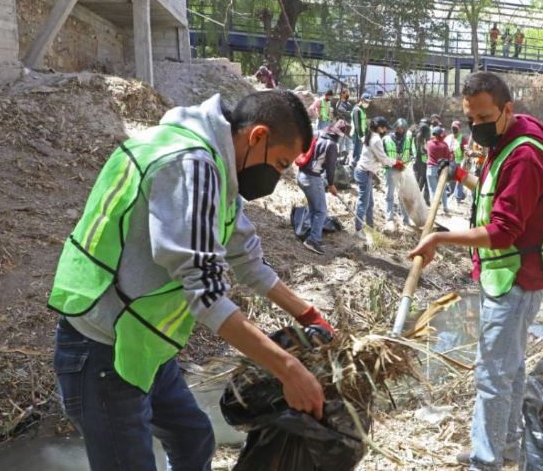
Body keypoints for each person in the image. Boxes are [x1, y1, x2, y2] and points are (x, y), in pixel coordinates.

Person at [48, 90, 333, 471]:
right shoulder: (190, 165)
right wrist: (289, 369)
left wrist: (308, 314)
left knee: (192, 440)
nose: (277, 179)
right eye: (280, 165)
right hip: (103, 348)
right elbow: (208, 296)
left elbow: (247, 259)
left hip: (143, 341)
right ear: (258, 136)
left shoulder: (217, 166)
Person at [408, 72, 543, 470]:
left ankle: (486, 460)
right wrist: (462, 176)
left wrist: (440, 240)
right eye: (470, 119)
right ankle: (507, 447)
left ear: (507, 110)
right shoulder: (508, 141)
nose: (477, 127)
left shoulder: (526, 155)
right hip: (509, 275)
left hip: (515, 276)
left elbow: (504, 230)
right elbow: (499, 193)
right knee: (509, 368)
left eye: (483, 118)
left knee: (493, 375)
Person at [298, 119, 350, 254]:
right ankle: (312, 240)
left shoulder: (317, 134)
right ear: (338, 135)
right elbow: (330, 168)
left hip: (301, 174)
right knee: (321, 210)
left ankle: (307, 233)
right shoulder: (331, 145)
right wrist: (331, 184)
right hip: (312, 178)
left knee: (313, 206)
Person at [354, 117, 401, 239]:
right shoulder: (375, 140)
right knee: (363, 203)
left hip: (364, 171)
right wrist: (395, 162)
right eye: (384, 127)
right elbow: (383, 159)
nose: (385, 130)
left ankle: (369, 226)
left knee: (369, 203)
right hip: (365, 173)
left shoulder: (370, 135)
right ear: (380, 127)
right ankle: (358, 229)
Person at [382, 118, 416, 228]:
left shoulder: (408, 138)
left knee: (403, 196)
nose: (401, 131)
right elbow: (382, 156)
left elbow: (411, 151)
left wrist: (412, 160)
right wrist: (392, 163)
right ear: (395, 127)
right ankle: (389, 219)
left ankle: (405, 220)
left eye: (403, 129)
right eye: (399, 129)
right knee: (389, 195)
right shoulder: (386, 139)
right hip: (390, 169)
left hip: (403, 169)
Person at [426, 126, 453, 214]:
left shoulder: (429, 143)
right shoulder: (444, 145)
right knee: (443, 189)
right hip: (441, 170)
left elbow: (432, 139)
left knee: (432, 190)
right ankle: (445, 207)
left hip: (430, 169)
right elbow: (448, 157)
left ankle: (434, 210)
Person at [445, 121, 470, 204]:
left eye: (456, 128)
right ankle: (452, 194)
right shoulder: (448, 138)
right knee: (451, 180)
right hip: (449, 162)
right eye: (453, 127)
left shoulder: (463, 139)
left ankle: (458, 198)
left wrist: (465, 161)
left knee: (459, 181)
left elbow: (466, 152)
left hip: (459, 163)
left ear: (460, 129)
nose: (454, 129)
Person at [414, 118, 432, 205]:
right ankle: (423, 199)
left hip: (418, 161)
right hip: (424, 162)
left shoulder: (416, 135)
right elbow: (426, 150)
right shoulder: (426, 137)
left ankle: (418, 198)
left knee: (419, 180)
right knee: (424, 180)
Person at [351, 93, 372, 167]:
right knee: (356, 154)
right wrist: (361, 136)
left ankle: (356, 167)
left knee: (360, 153)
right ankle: (353, 168)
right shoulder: (357, 110)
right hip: (357, 135)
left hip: (361, 135)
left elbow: (363, 123)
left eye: (369, 102)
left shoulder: (362, 109)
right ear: (362, 100)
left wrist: (366, 133)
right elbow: (357, 125)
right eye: (366, 101)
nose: (367, 103)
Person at [335, 89, 354, 157]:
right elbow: (343, 112)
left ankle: (347, 155)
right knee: (341, 141)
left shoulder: (349, 104)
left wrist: (348, 113)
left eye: (347, 93)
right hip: (341, 126)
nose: (347, 95)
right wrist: (347, 113)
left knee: (347, 141)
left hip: (348, 125)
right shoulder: (339, 103)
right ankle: (340, 155)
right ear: (341, 94)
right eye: (345, 93)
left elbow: (350, 112)